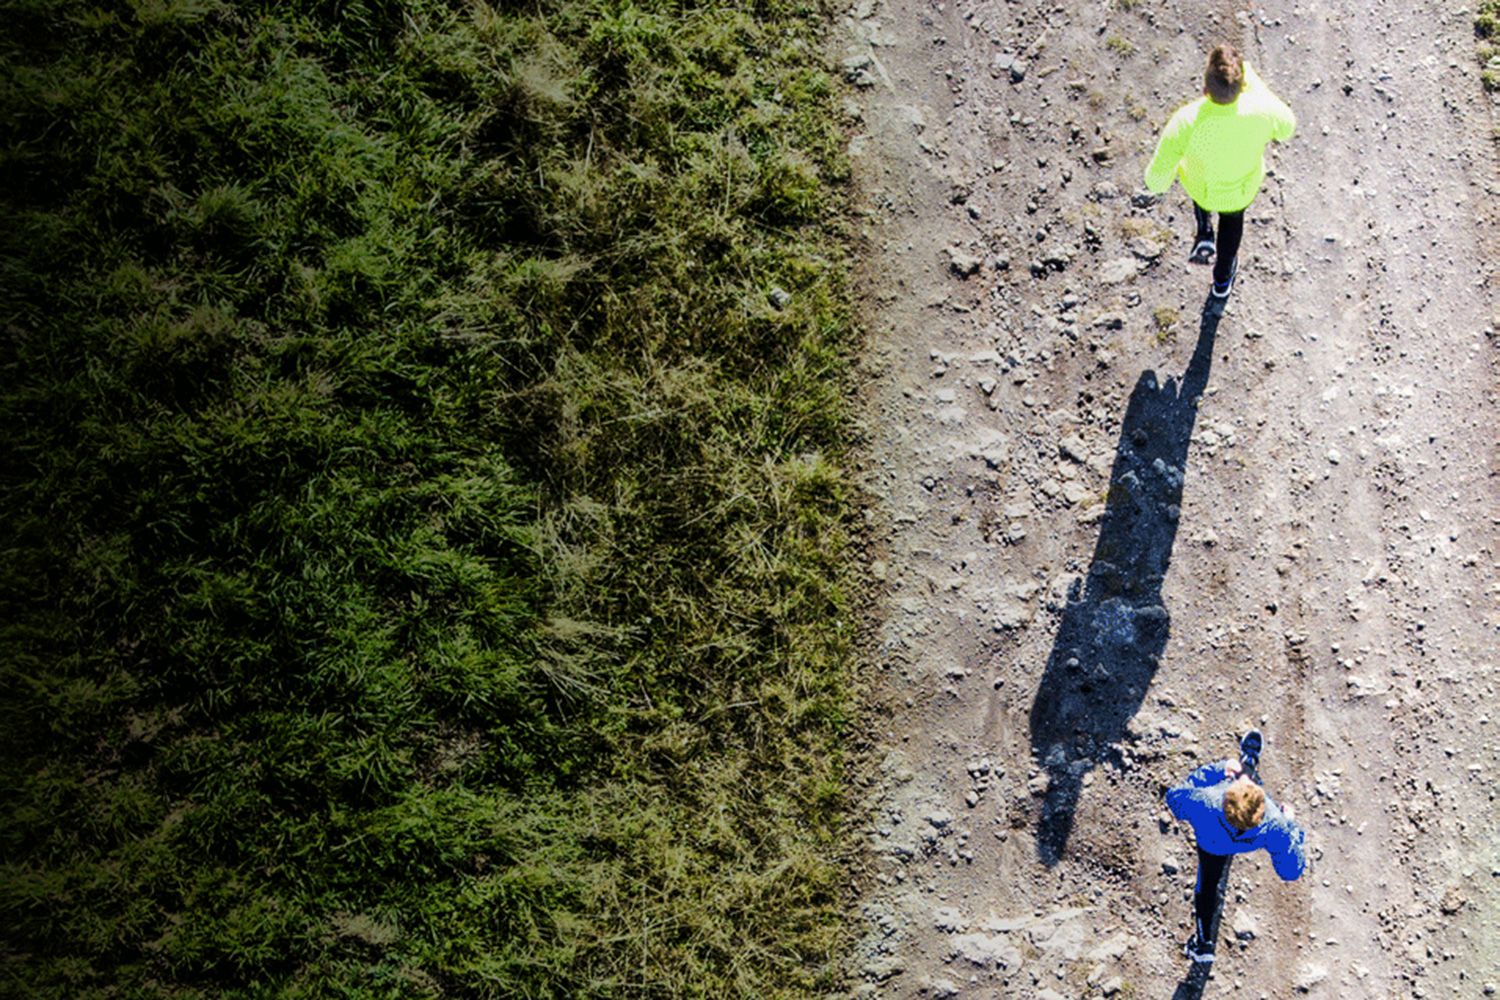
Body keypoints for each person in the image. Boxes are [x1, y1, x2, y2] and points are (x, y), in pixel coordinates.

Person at [1143, 44, 1296, 300]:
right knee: (1232, 222)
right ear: (1242, 84)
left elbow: (1156, 182)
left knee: (1195, 175)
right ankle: (1222, 280)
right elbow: (1287, 128)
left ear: (1205, 87)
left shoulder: (1186, 120)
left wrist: (1167, 175)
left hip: (1201, 186)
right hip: (1240, 190)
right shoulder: (1261, 109)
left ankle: (1204, 232)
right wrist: (1254, 82)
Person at [1164, 730, 1306, 963]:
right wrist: (1291, 826)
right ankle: (1249, 761)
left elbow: (1174, 798)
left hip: (1210, 843)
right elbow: (1291, 870)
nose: (1247, 781)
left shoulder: (1206, 801)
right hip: (1244, 840)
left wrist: (1218, 769)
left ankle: (1203, 946)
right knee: (1210, 882)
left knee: (1207, 885)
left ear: (1227, 796)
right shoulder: (1274, 824)